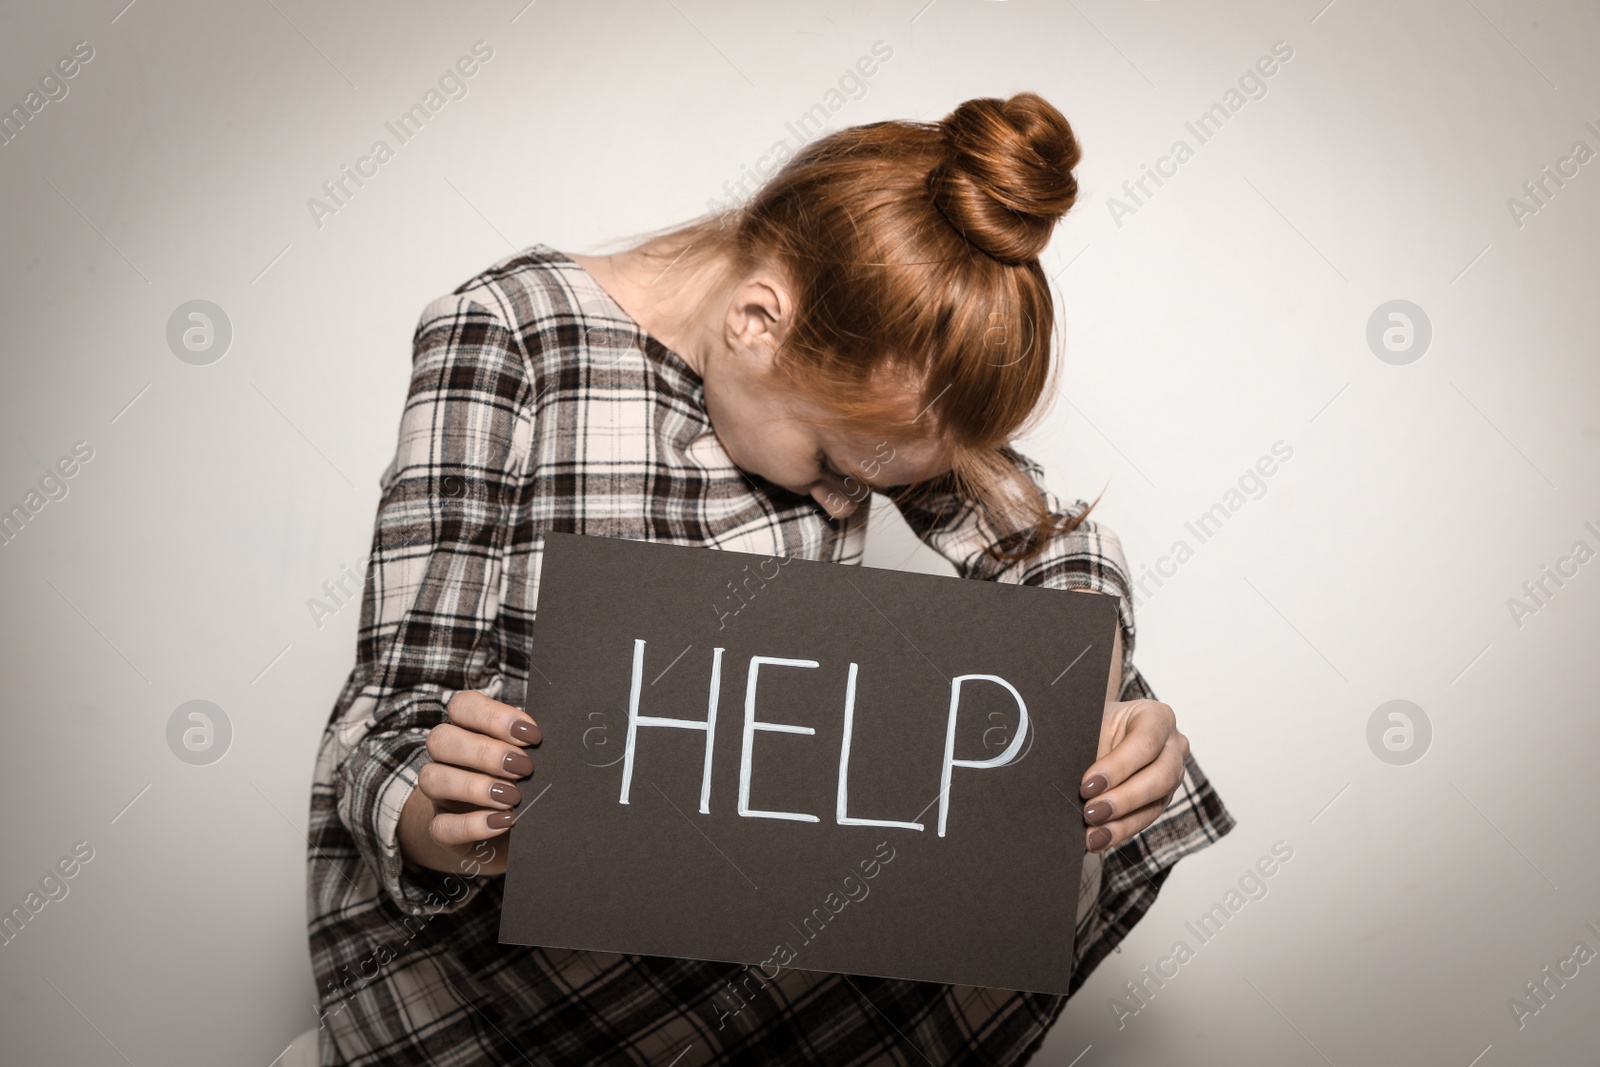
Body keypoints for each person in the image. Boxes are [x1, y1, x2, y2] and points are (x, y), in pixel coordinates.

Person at [305, 90, 1235, 1065]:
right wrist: (436, 812)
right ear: (757, 321)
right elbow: (391, 715)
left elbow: (1044, 544)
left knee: (1080, 750)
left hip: (737, 955)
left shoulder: (882, 381)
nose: (847, 509)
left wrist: (1097, 689)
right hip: (494, 974)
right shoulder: (509, 334)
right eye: (835, 467)